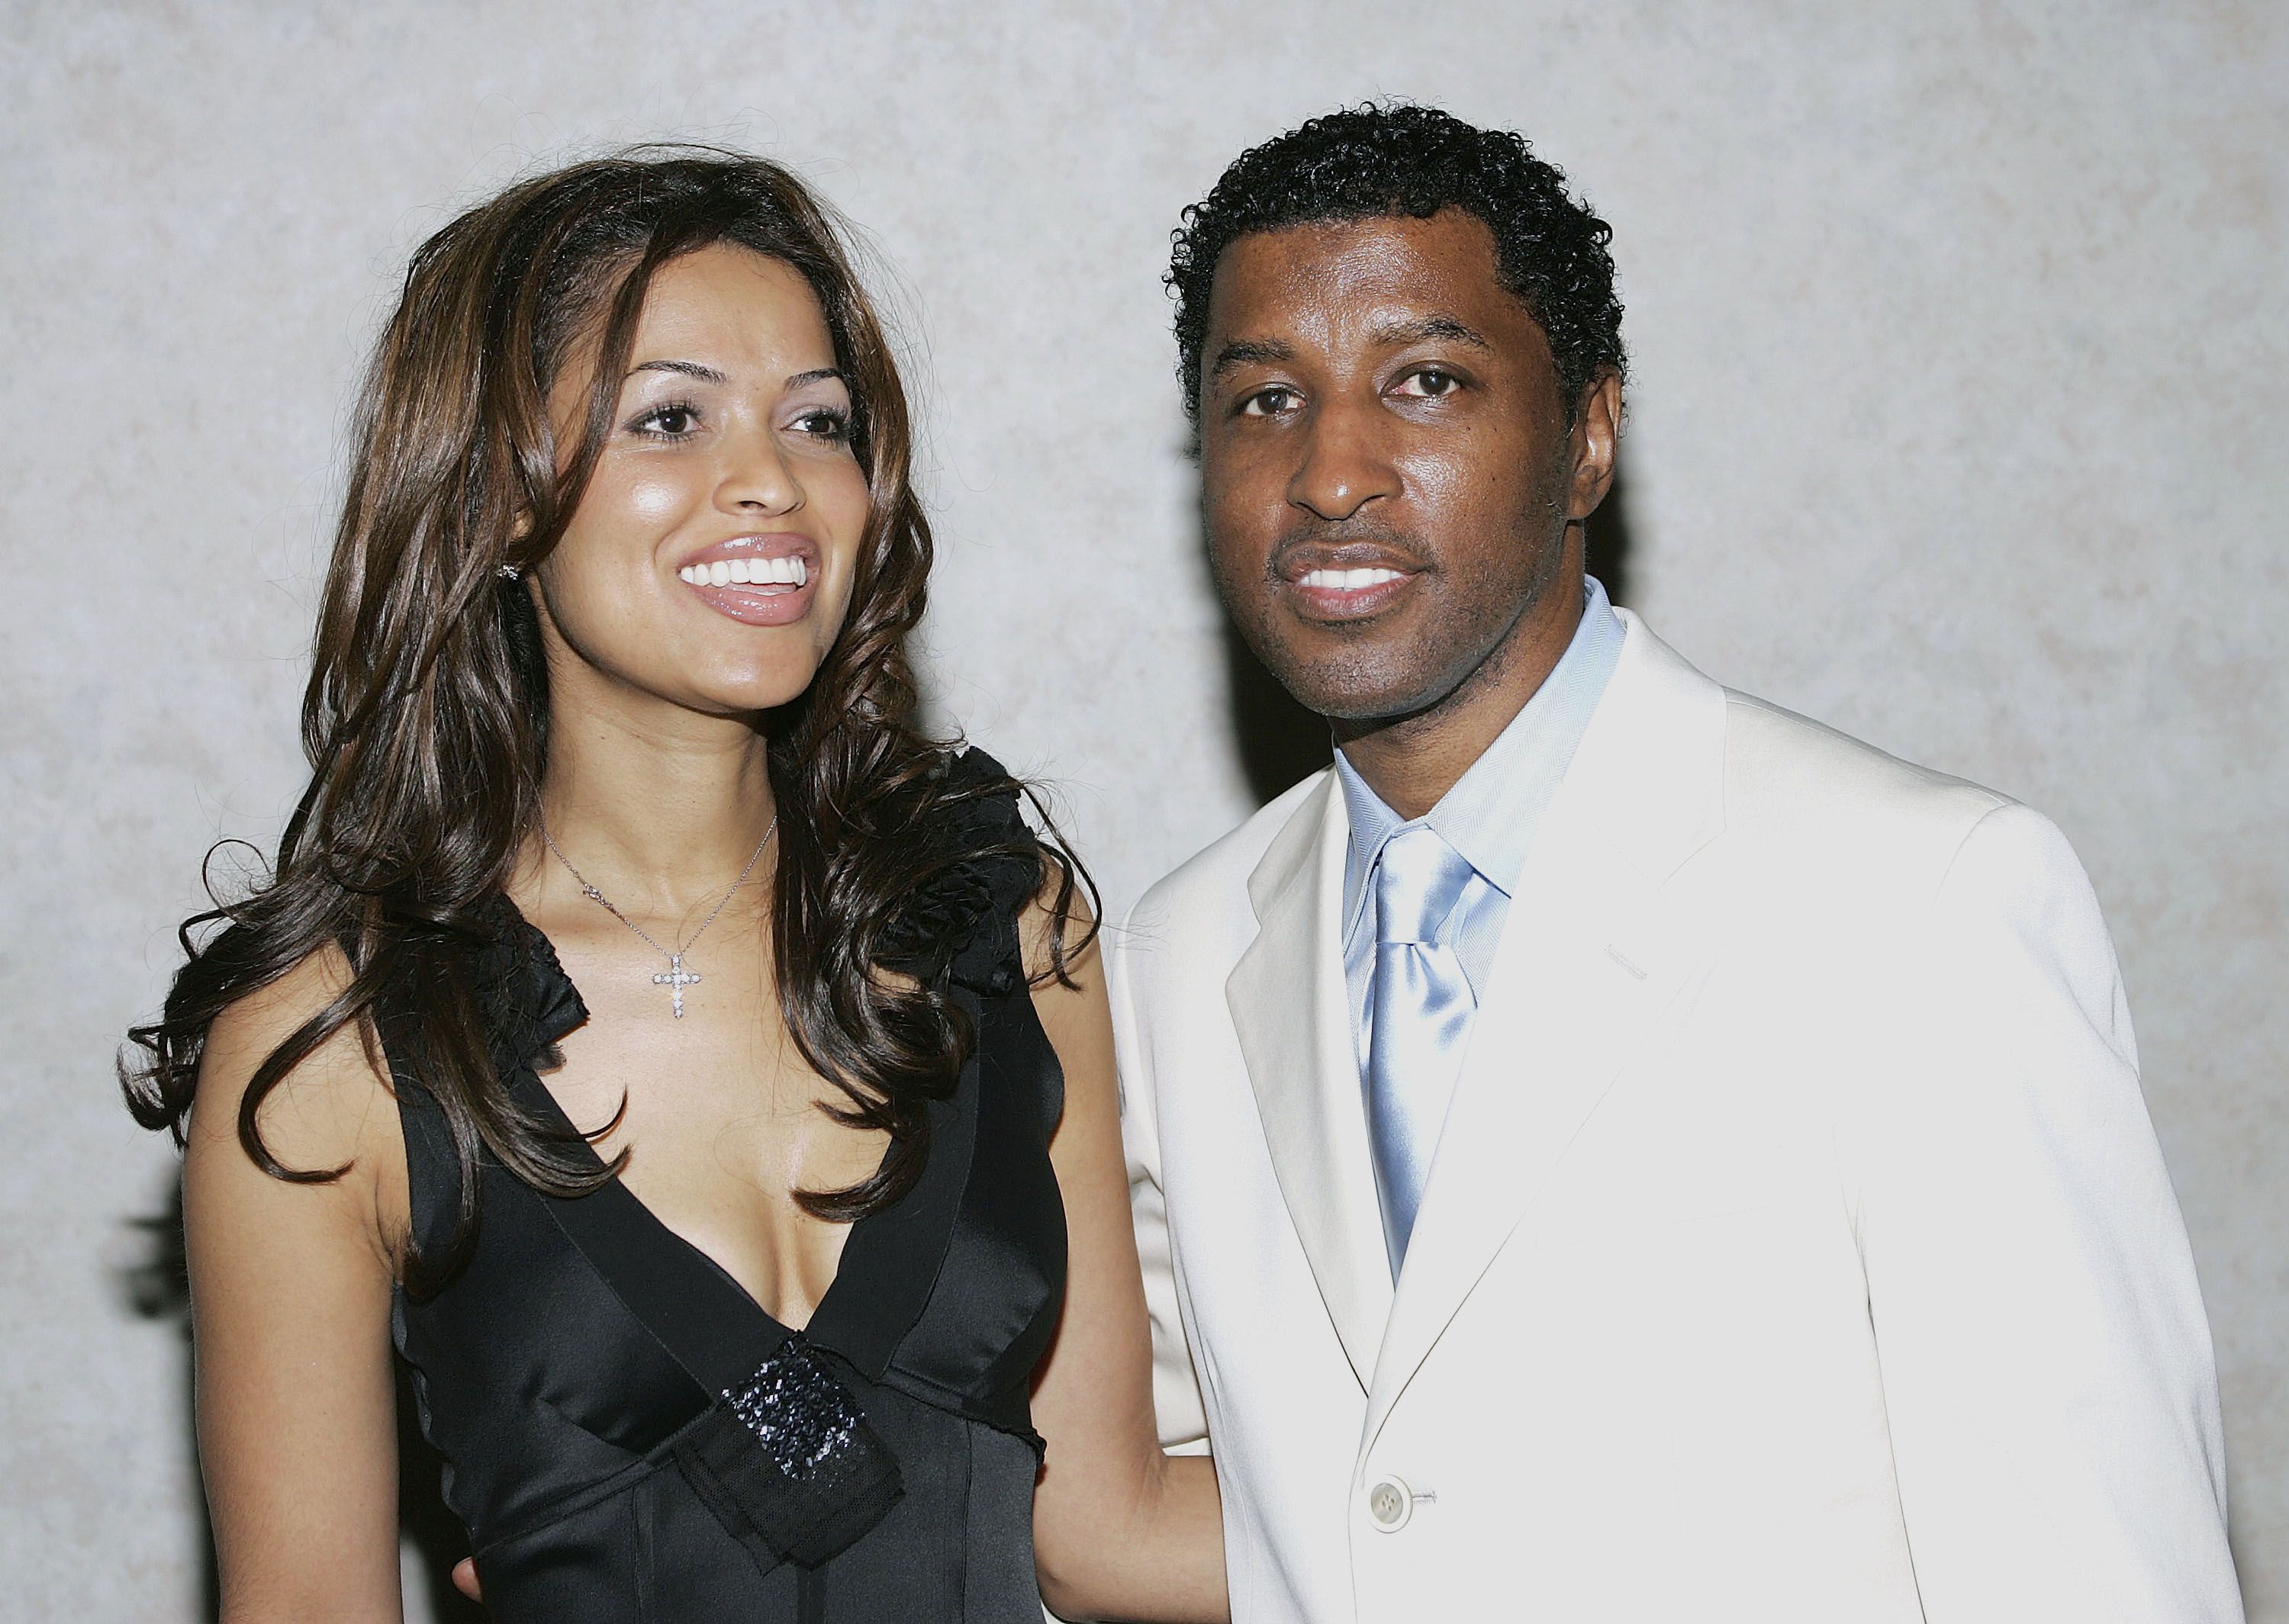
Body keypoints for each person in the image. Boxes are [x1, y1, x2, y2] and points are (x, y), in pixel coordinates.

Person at [1110, 103, 2242, 1623]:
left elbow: (2098, 1577)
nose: (1331, 474)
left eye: (1426, 382)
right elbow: (1260, 1510)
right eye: (1264, 401)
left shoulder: (1923, 906)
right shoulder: (1180, 955)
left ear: (1587, 433)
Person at [123, 150, 1225, 1624]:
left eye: (817, 421)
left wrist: (1595, 1493)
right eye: (670, 415)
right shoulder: (341, 1043)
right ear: (505, 496)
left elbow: (1106, 1529)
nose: (770, 478)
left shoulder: (1007, 927)